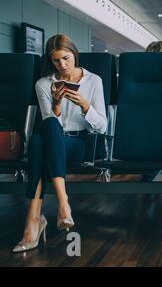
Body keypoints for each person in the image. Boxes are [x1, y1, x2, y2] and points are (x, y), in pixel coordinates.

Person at [13, 34, 107, 253]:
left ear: (74, 54)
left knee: (38, 142)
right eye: (56, 60)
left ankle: (35, 218)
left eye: (66, 58)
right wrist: (56, 104)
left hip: (81, 143)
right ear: (50, 60)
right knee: (43, 135)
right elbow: (50, 123)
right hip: (54, 141)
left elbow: (102, 126)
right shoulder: (43, 84)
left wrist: (85, 105)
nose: (62, 65)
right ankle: (62, 205)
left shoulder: (94, 81)